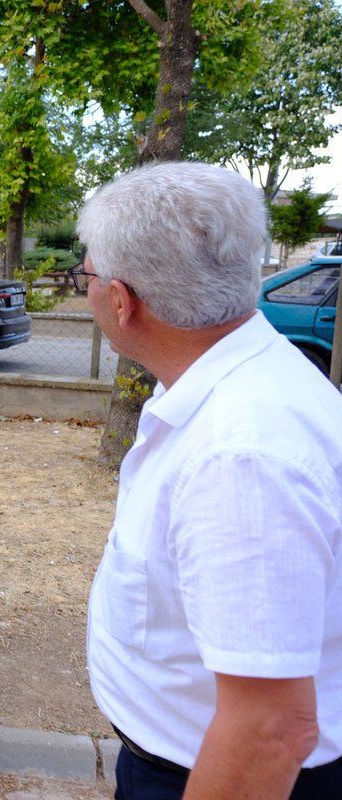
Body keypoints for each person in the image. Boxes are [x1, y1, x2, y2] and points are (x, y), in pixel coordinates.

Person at [77, 162, 342, 799]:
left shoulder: (239, 456)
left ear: (122, 300)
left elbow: (271, 727)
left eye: (83, 274)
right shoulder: (229, 388)